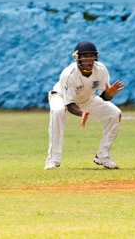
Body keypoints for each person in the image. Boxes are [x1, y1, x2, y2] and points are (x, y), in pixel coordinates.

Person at [45, 41, 124, 170]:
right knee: (58, 111)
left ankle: (102, 155)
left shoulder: (100, 70)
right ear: (78, 58)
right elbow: (69, 104)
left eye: (92, 56)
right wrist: (82, 112)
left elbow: (104, 97)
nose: (89, 60)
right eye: (85, 56)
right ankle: (52, 160)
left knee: (115, 114)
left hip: (86, 98)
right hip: (60, 96)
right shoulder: (69, 74)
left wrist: (109, 94)